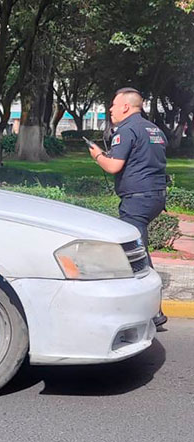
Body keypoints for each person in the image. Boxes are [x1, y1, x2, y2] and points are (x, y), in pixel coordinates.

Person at [88, 87, 168, 330]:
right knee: (138, 249)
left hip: (137, 200)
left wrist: (97, 155)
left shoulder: (126, 129)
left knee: (136, 254)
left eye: (113, 104)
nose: (110, 109)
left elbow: (114, 166)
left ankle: (153, 310)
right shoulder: (154, 129)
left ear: (125, 106)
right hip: (155, 195)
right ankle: (150, 307)